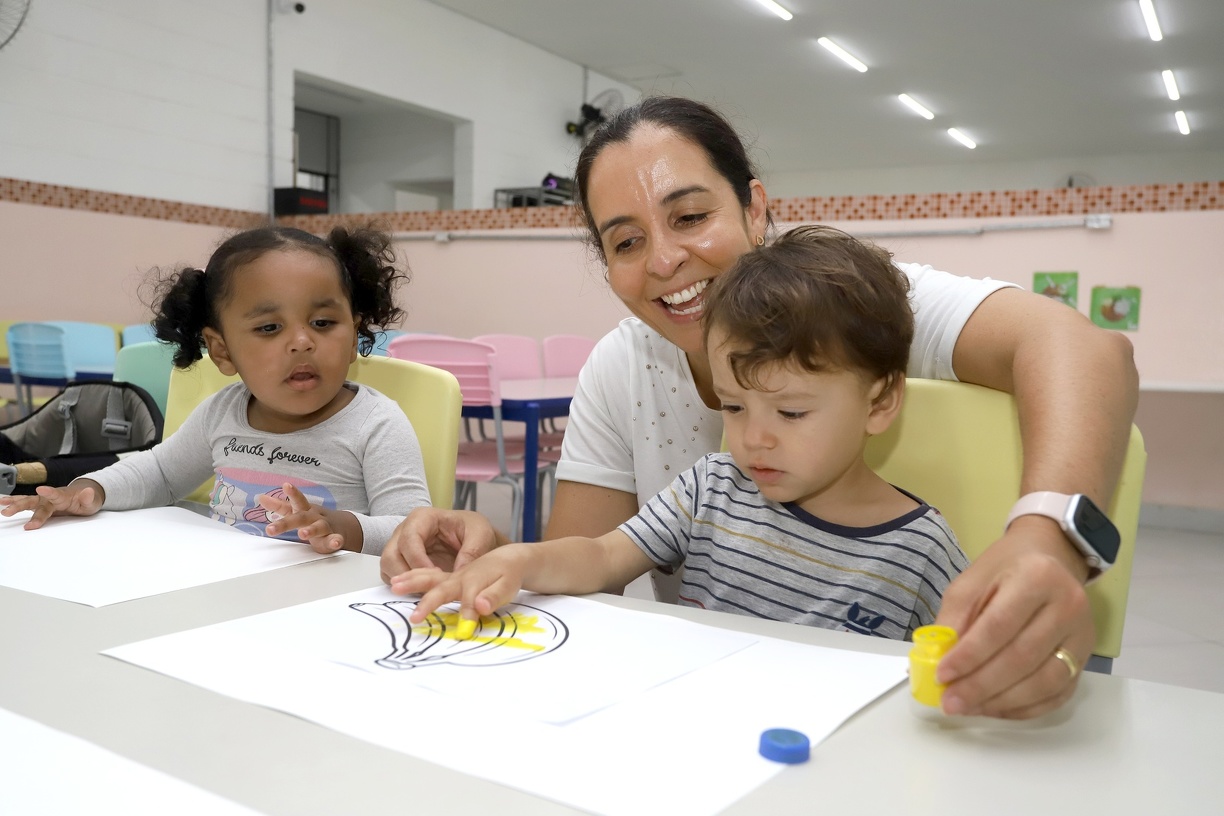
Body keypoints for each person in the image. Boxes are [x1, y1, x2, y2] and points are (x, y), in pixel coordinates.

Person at [381, 96, 1139, 719]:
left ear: (754, 209)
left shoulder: (855, 308)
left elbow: (1089, 351)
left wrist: (1047, 542)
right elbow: (592, 564)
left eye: (689, 216)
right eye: (625, 241)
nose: (666, 261)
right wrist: (496, 557)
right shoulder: (625, 364)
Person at [393, 225, 969, 640]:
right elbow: (599, 556)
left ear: (881, 401)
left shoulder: (922, 551)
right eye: (735, 407)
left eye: (791, 413)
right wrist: (521, 561)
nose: (754, 440)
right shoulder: (712, 489)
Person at [0, 225, 431, 556]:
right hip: (222, 590)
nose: (302, 341)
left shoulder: (375, 423)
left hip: (325, 605)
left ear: (354, 331)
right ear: (222, 350)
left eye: (322, 322)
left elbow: (416, 530)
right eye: (269, 328)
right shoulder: (222, 412)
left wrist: (345, 527)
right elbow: (160, 473)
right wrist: (88, 489)